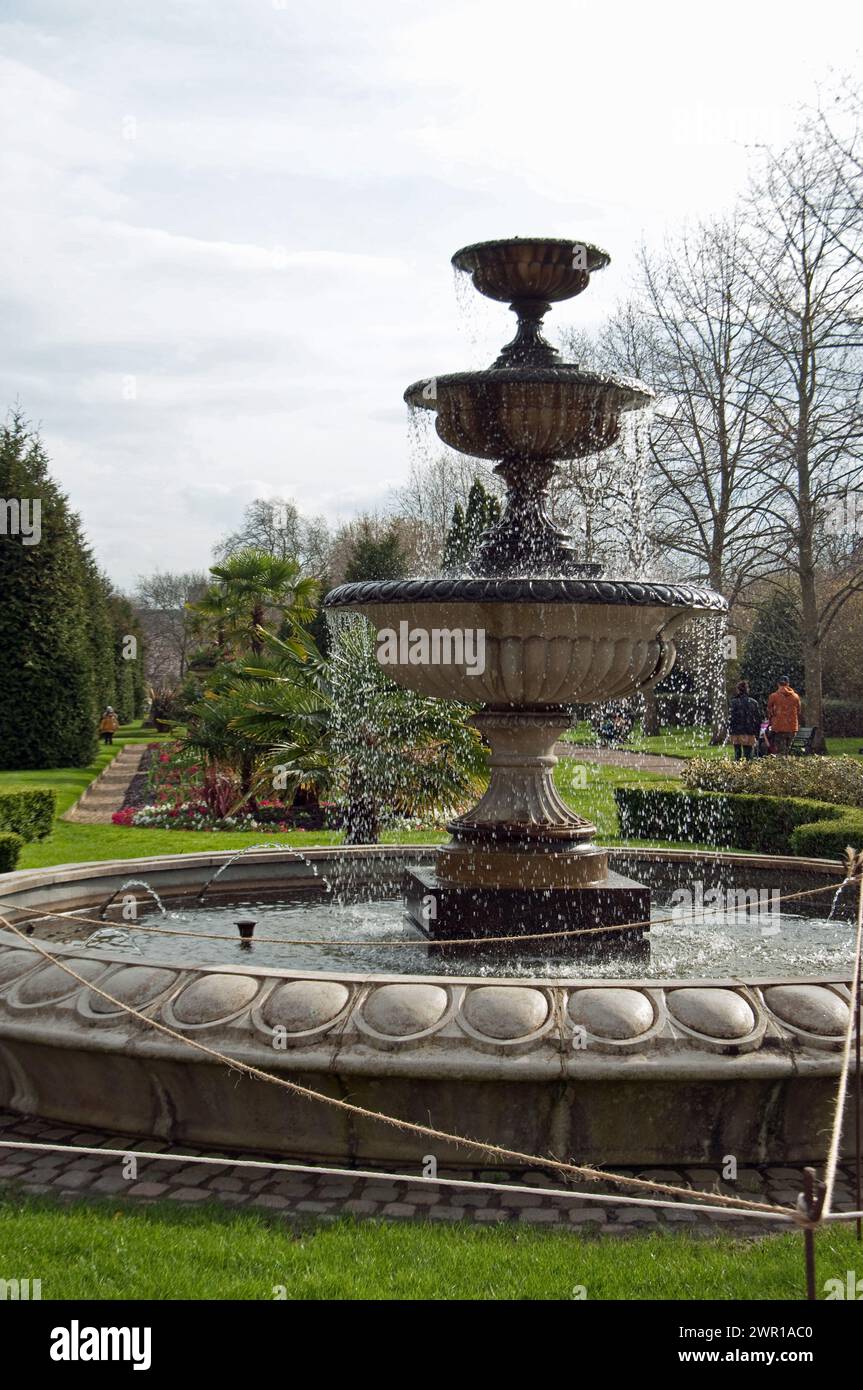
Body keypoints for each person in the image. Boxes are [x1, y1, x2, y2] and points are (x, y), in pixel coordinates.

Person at [766, 676, 801, 755]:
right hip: (792, 727)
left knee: (780, 750)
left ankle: (782, 765)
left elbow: (769, 710)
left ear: (778, 684)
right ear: (788, 684)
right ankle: (787, 763)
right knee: (787, 749)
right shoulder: (795, 696)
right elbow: (799, 710)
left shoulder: (773, 696)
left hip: (778, 727)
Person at [727, 680, 761, 760]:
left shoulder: (733, 702)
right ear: (747, 690)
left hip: (736, 731)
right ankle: (748, 770)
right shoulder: (753, 702)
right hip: (749, 731)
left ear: (738, 690)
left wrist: (730, 730)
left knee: (737, 754)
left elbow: (731, 718)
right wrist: (757, 733)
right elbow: (758, 719)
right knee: (748, 755)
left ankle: (737, 769)